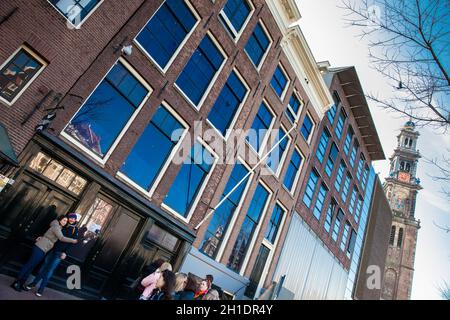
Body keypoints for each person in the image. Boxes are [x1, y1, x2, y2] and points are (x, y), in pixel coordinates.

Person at [10, 216, 77, 291]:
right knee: (29, 265)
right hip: (40, 247)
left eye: (66, 221)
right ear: (59, 220)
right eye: (64, 220)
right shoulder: (56, 226)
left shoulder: (59, 227)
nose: (65, 222)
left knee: (32, 266)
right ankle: (16, 282)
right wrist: (73, 240)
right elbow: (61, 238)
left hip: (44, 249)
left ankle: (22, 282)